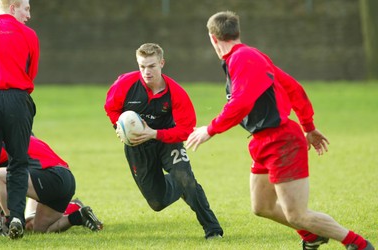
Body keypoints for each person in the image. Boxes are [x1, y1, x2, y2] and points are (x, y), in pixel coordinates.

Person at [186, 11, 375, 250]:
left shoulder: (243, 58)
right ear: (236, 32)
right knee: (262, 206)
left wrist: (210, 130)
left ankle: (357, 244)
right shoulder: (249, 56)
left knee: (296, 214)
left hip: (281, 140)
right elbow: (294, 89)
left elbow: (241, 103)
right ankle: (312, 236)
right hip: (263, 141)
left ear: (213, 38)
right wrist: (308, 127)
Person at [104, 43, 223, 239]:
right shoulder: (125, 84)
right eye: (142, 66)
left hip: (167, 142)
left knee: (187, 180)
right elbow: (111, 108)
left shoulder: (175, 92)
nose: (146, 71)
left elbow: (185, 129)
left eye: (151, 66)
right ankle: (177, 184)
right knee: (157, 202)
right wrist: (119, 127)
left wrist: (155, 134)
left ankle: (213, 229)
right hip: (137, 148)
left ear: (162, 63)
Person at [0, 0, 40, 242]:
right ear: (13, 8)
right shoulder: (28, 35)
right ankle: (16, 217)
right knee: (18, 162)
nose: (28, 15)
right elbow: (31, 71)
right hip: (18, 98)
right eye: (26, 9)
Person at [0, 136, 104, 233]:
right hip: (66, 179)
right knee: (38, 229)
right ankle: (79, 215)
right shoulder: (26, 136)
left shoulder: (2, 144)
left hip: (51, 176)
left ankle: (11, 221)